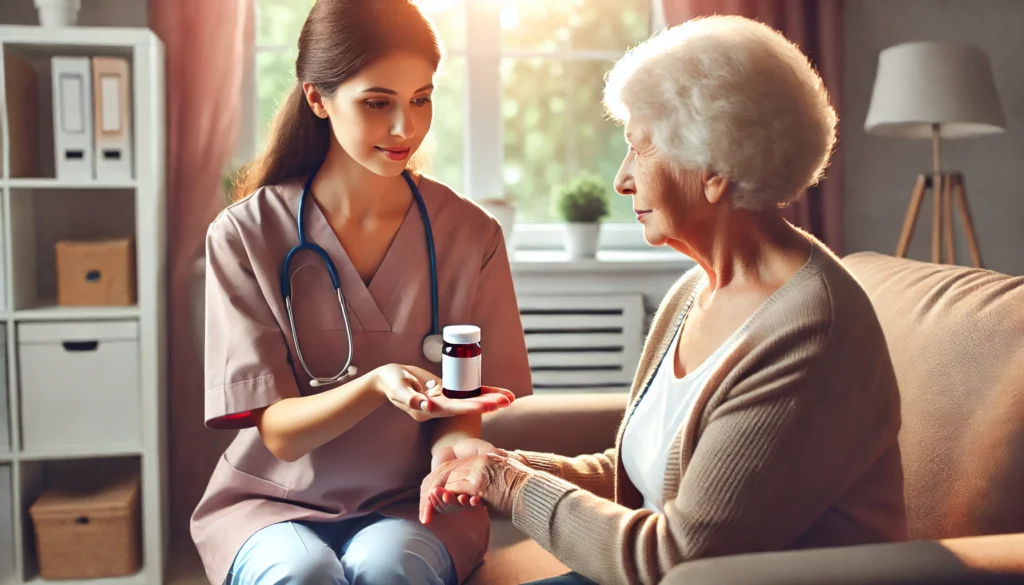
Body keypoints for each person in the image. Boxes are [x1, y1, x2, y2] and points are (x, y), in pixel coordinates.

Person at [419, 15, 907, 585]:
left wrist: (511, 486)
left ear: (715, 169)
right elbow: (642, 479)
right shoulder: (697, 288)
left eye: (639, 148)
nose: (622, 179)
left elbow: (673, 559)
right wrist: (502, 466)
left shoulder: (808, 332)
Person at [190, 2, 532, 584]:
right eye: (378, 103)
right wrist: (376, 384)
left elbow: (465, 403)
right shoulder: (245, 234)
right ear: (317, 99)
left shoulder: (471, 236)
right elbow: (280, 434)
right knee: (300, 574)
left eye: (421, 99)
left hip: (413, 501)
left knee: (388, 568)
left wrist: (450, 447)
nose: (406, 128)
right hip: (271, 503)